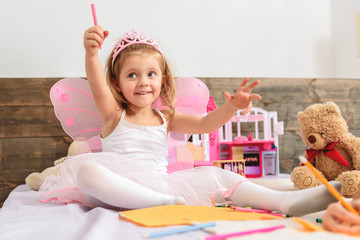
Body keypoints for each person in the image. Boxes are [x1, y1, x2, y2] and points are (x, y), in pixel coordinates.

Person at [40, 25, 342, 216]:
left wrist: (232, 107)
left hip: (162, 184)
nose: (143, 82)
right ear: (117, 84)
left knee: (216, 175)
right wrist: (92, 52)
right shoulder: (115, 114)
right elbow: (95, 83)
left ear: (162, 79)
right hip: (121, 187)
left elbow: (205, 125)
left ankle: (285, 202)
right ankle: (160, 205)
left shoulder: (166, 117)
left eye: (151, 74)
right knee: (88, 171)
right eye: (132, 75)